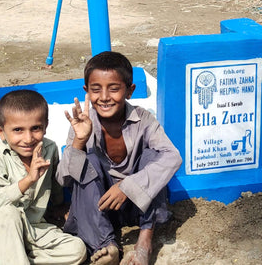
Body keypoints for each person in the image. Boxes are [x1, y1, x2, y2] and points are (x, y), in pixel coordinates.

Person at [59, 51, 181, 265]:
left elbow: (173, 157)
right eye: (96, 89)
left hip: (138, 208)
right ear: (87, 91)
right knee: (89, 160)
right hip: (101, 208)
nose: (104, 97)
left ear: (130, 91)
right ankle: (106, 245)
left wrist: (128, 186)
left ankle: (145, 241)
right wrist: (79, 141)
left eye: (114, 88)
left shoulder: (143, 120)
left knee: (153, 155)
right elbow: (64, 180)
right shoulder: (83, 123)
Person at [0, 90, 87, 265]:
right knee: (7, 213)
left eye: (36, 128)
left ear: (45, 126)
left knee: (77, 250)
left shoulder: (50, 149)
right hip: (5, 229)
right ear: (1, 132)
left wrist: (60, 206)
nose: (28, 138)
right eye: (18, 130)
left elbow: (55, 185)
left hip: (35, 228)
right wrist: (29, 179)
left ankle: (12, 258)